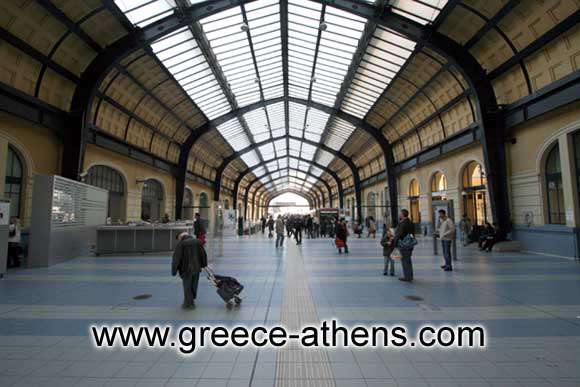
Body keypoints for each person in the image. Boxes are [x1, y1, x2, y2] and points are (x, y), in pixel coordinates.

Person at [171, 232, 207, 309]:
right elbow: (203, 254)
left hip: (185, 269)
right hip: (197, 268)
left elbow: (176, 258)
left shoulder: (181, 244)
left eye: (179, 239)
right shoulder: (197, 241)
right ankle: (192, 299)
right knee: (194, 284)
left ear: (181, 237)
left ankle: (188, 303)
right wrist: (204, 264)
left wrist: (174, 271)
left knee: (187, 285)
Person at [393, 209, 415, 282]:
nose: (399, 215)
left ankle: (407, 277)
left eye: (400, 214)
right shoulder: (410, 222)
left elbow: (398, 235)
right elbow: (412, 234)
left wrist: (394, 244)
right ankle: (410, 275)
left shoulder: (403, 224)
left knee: (405, 261)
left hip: (403, 244)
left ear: (402, 215)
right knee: (408, 260)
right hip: (409, 244)